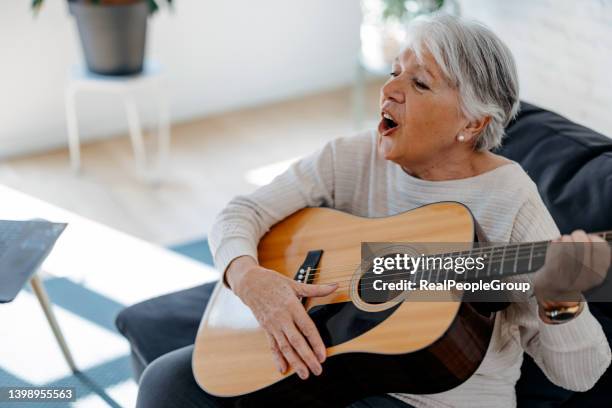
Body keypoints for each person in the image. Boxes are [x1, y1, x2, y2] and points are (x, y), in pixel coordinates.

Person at [127, 14, 611, 407]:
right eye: (395, 71)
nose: (391, 89)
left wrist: (558, 294)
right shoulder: (351, 157)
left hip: (439, 400)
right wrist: (249, 278)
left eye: (420, 83)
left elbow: (583, 375)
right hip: (333, 370)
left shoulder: (509, 201)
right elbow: (240, 213)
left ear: (472, 123)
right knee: (166, 383)